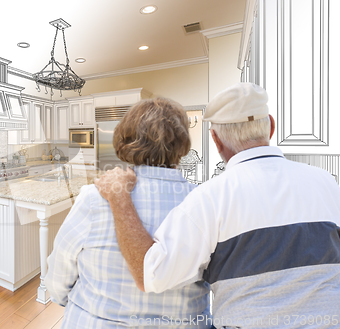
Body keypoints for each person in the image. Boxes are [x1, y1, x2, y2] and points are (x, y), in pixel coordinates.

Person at [94, 83, 340, 329]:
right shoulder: (329, 184)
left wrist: (119, 198)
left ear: (216, 139)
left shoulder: (210, 198)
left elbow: (152, 275)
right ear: (271, 126)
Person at [45, 97, 211, 328]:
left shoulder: (94, 198)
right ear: (182, 143)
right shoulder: (206, 204)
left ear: (125, 138)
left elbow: (59, 273)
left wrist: (76, 305)